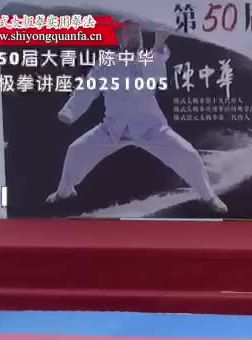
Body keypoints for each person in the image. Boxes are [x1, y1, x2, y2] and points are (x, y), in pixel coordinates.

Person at [47, 20, 227, 214]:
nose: (135, 36)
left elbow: (155, 78)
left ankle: (208, 196)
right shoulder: (106, 63)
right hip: (112, 128)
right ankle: (64, 192)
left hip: (151, 127)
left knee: (189, 154)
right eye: (130, 32)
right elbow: (88, 88)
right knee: (76, 151)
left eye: (138, 33)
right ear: (120, 38)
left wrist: (159, 45)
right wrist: (70, 111)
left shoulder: (151, 58)